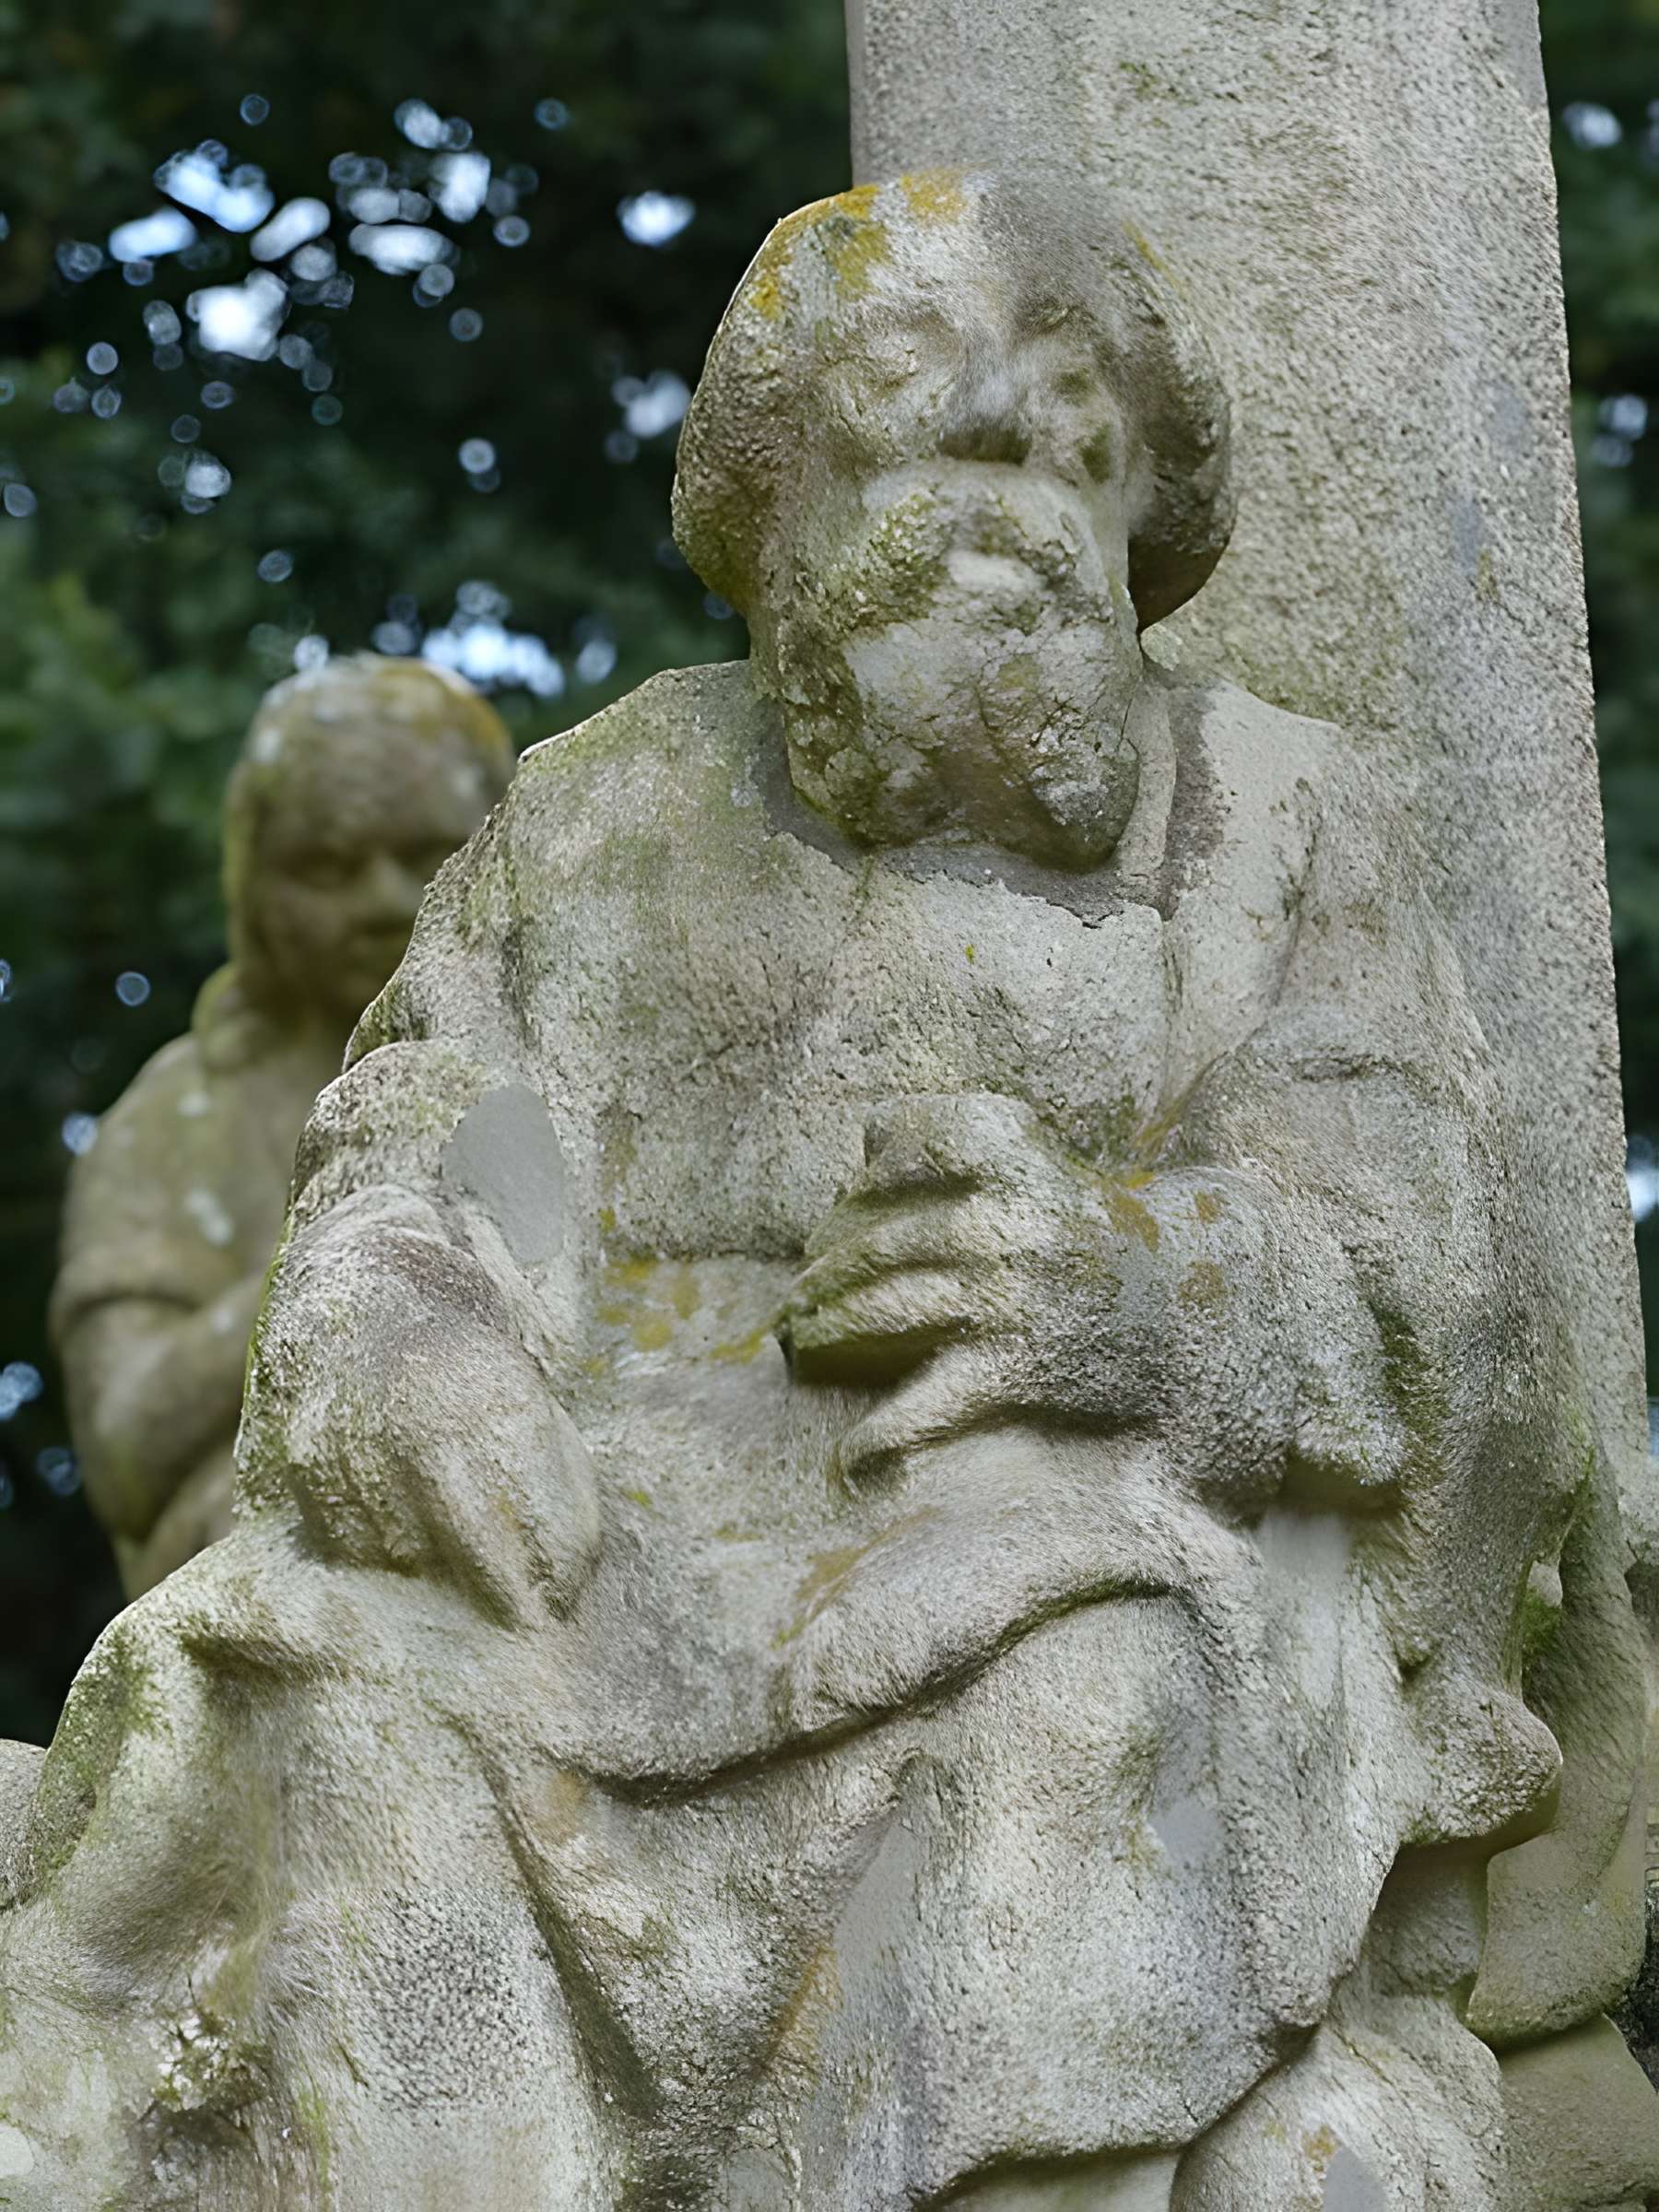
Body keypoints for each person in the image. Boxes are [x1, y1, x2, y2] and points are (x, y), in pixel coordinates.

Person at [0, 172, 1650, 2209]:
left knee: (1091, 1687)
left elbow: (1429, 1270)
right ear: (769, 497)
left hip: (1061, 1521)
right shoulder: (597, 817)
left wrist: (1139, 1284)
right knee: (329, 1691)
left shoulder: (1281, 822)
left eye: (1068, 428)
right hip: (595, 1556)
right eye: (913, 402)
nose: (999, 465)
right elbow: (443, 1149)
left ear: (1142, 516)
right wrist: (410, 1331)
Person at [50, 655, 514, 1594]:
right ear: (257, 888)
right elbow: (126, 1450)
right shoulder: (173, 1122)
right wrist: (345, 1257)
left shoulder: (578, 1066)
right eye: (328, 866)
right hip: (262, 1545)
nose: (384, 900)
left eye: (424, 854)